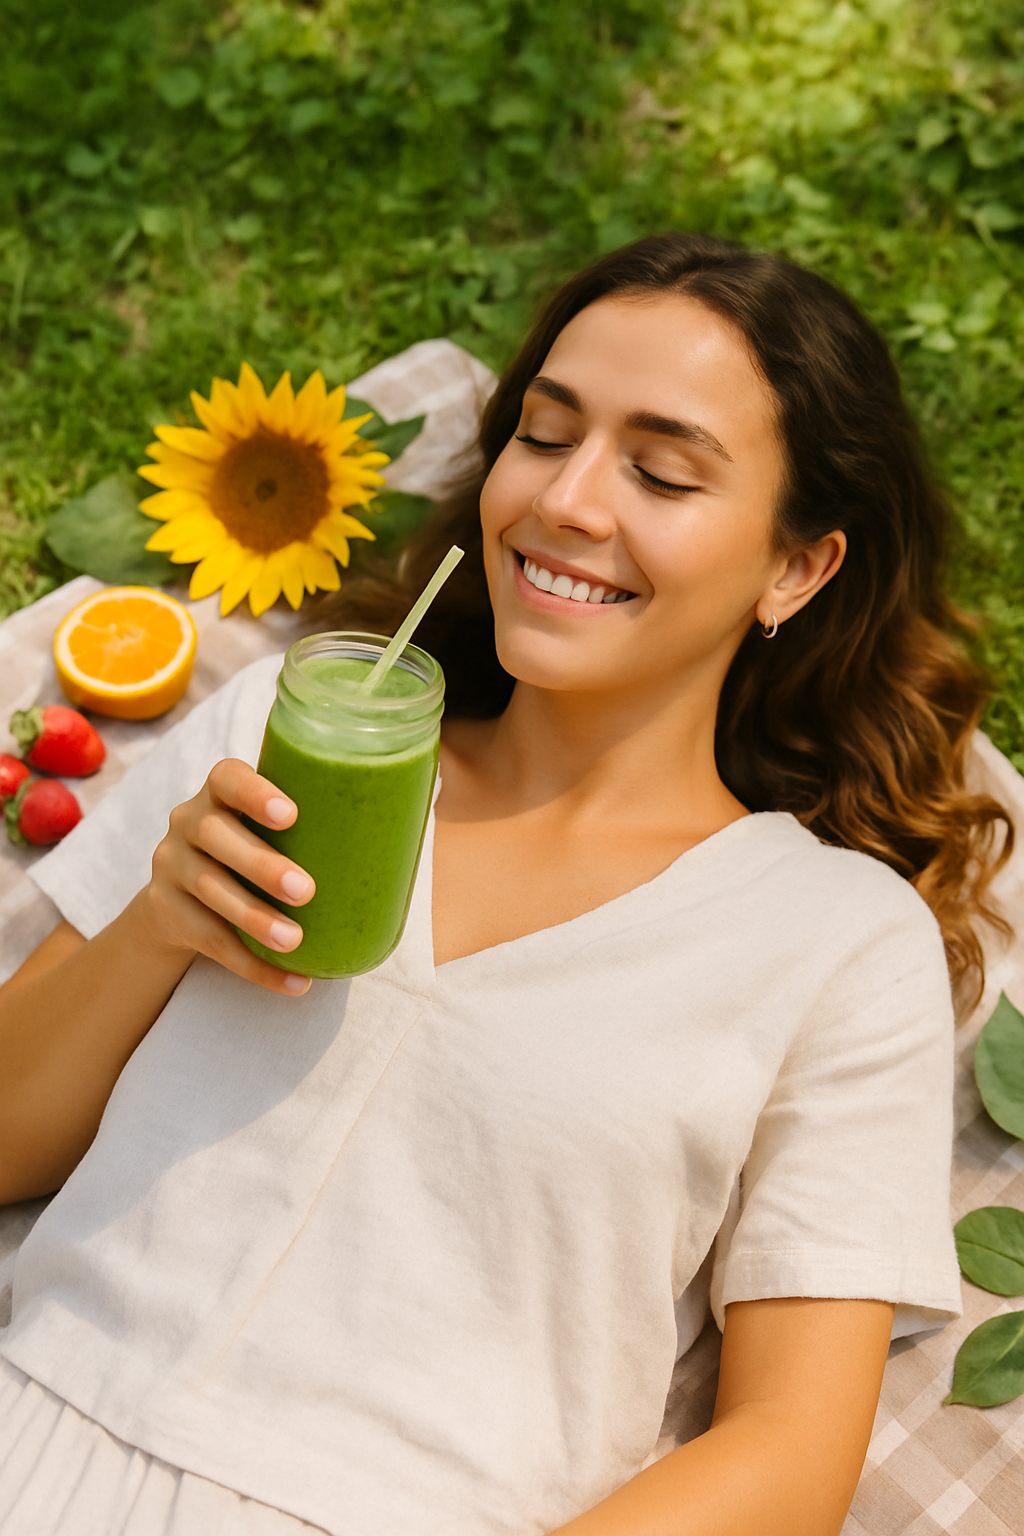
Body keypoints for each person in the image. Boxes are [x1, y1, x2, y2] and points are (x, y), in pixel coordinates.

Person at [0, 232, 1014, 1536]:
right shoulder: (286, 726)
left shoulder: (836, 941)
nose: (568, 501)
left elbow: (790, 1453)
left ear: (796, 568)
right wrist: (156, 923)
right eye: (544, 435)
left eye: (659, 471)